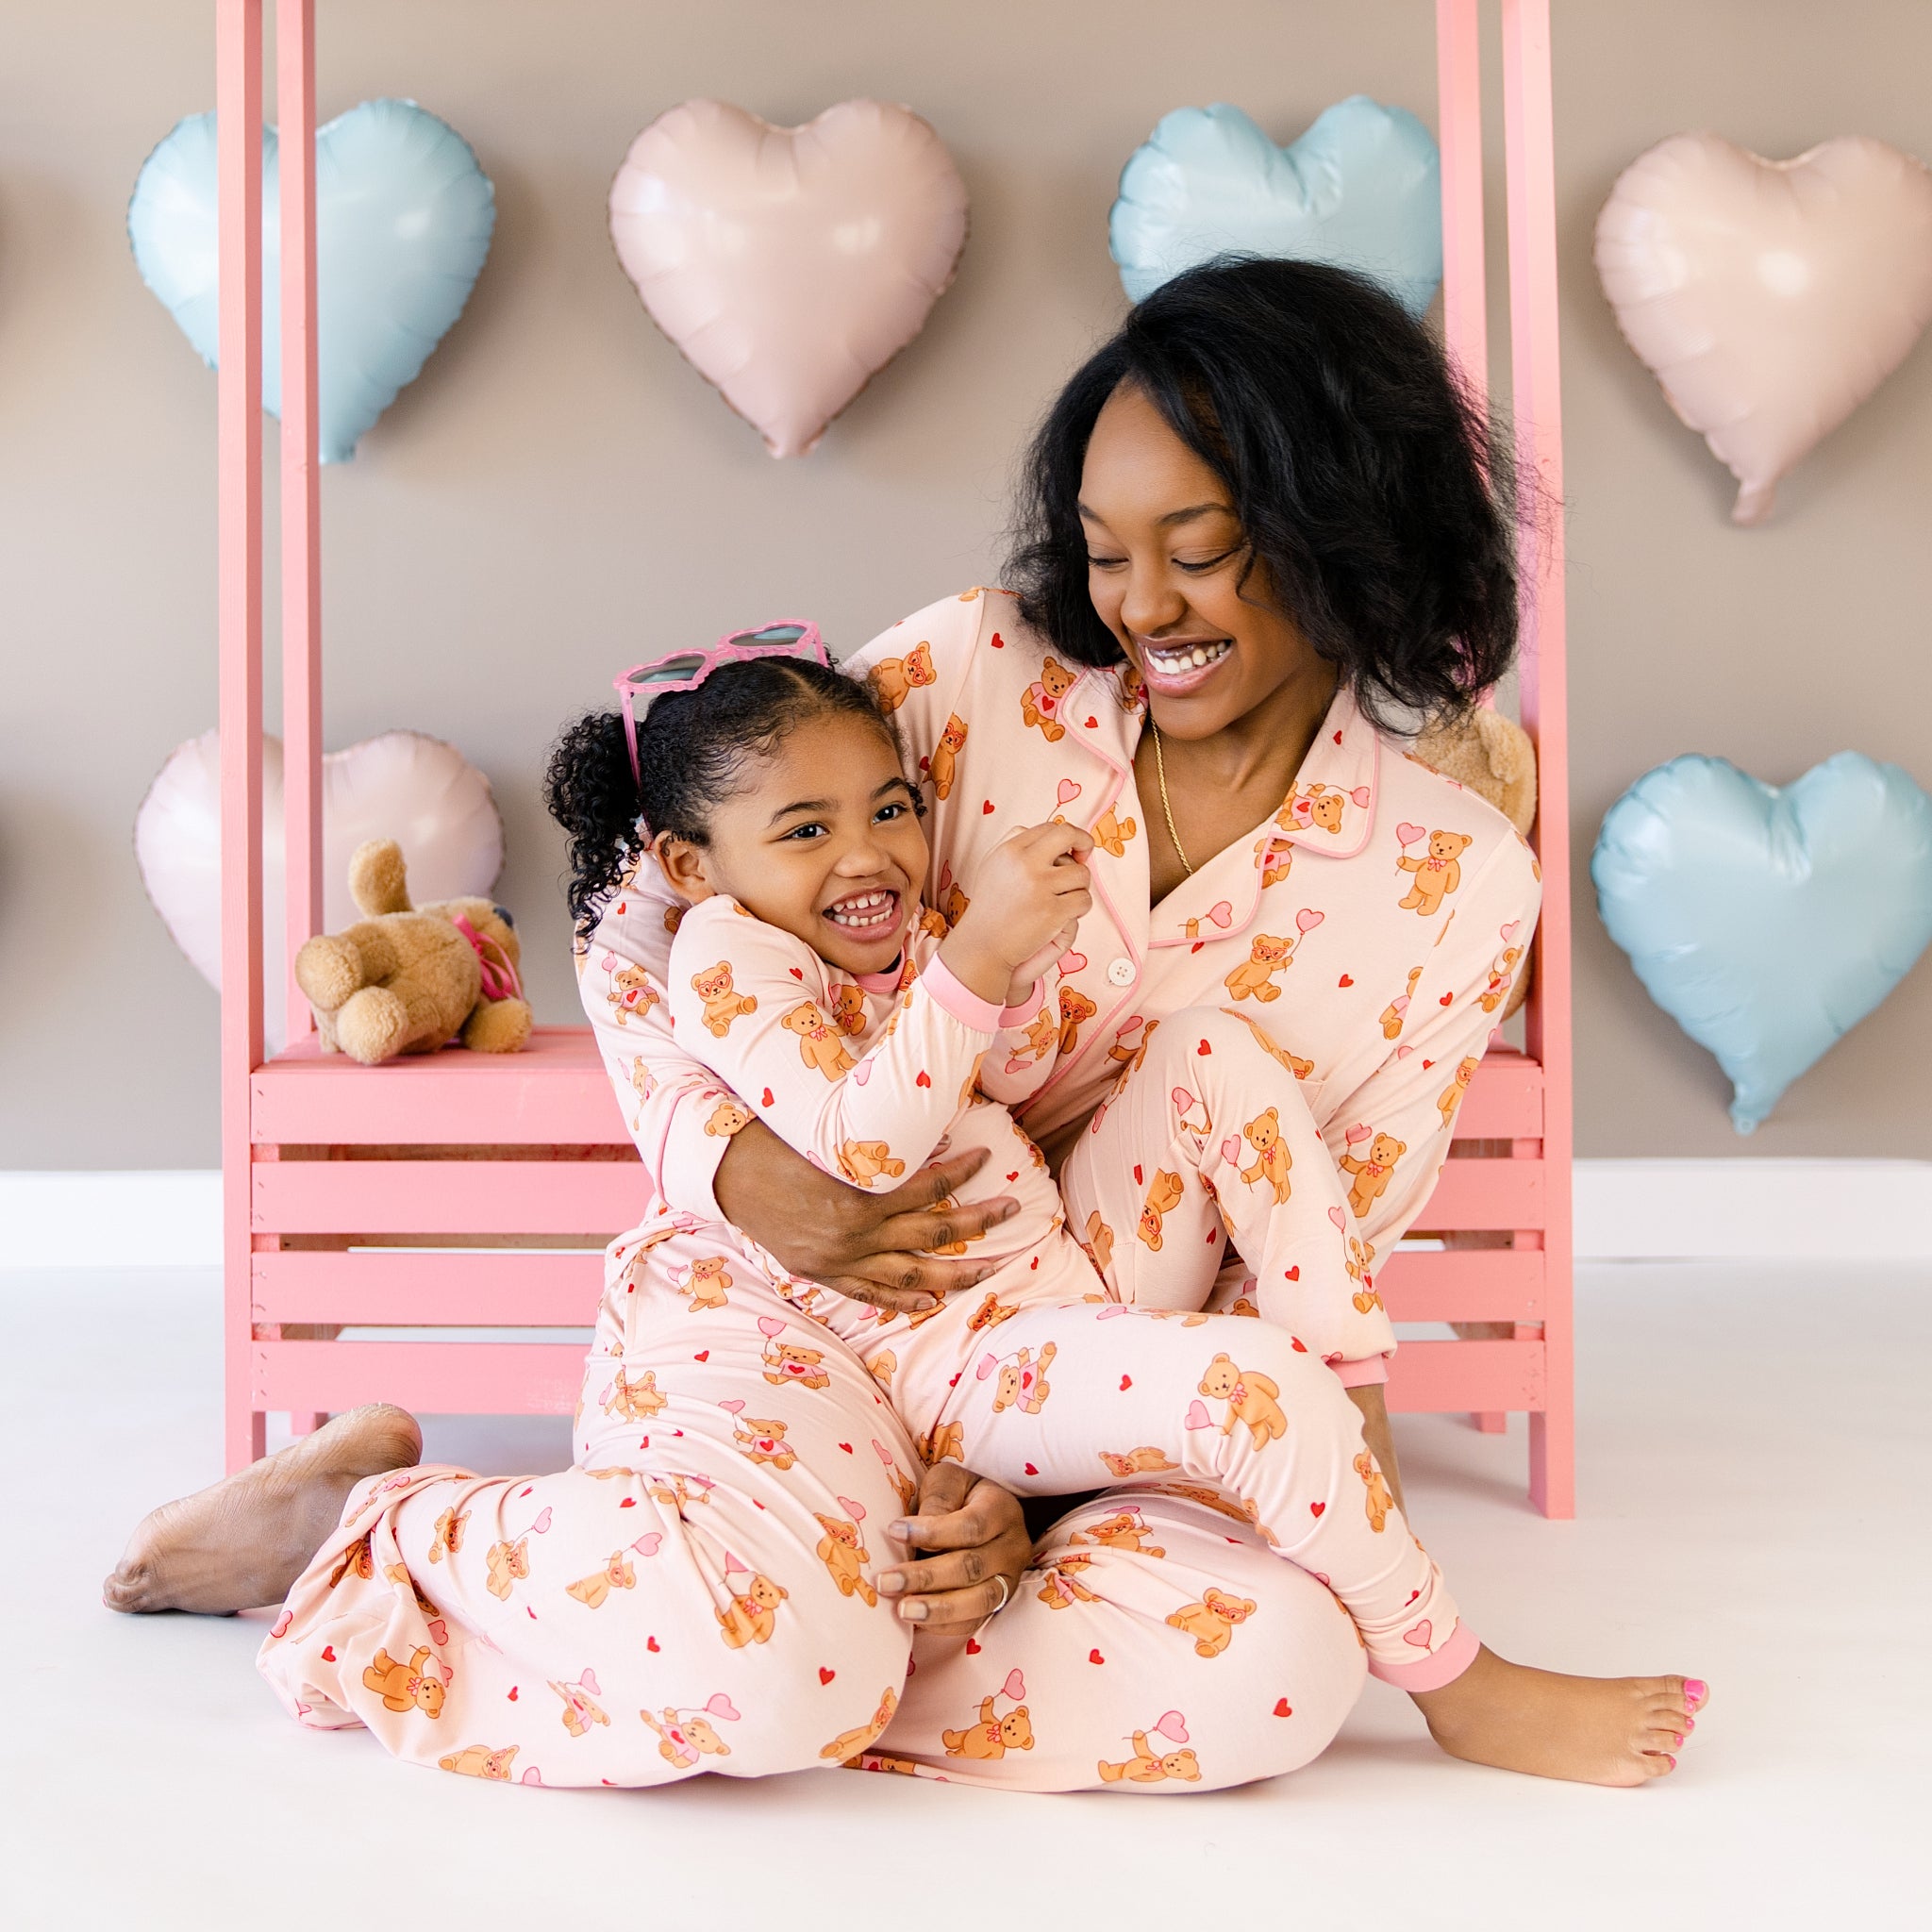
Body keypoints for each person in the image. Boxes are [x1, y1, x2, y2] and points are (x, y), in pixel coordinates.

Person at [104, 258, 1707, 1791]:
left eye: (1200, 545)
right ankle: (389, 1538)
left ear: (1343, 522)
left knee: (1282, 1671)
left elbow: (1310, 1259)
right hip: (787, 1296)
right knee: (789, 1665)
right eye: (1106, 550)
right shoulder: (976, 671)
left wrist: (1039, 1493)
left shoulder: (1456, 882)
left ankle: (769, 1633)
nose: (1142, 604)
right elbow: (649, 900)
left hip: (1064, 1353)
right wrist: (742, 1175)